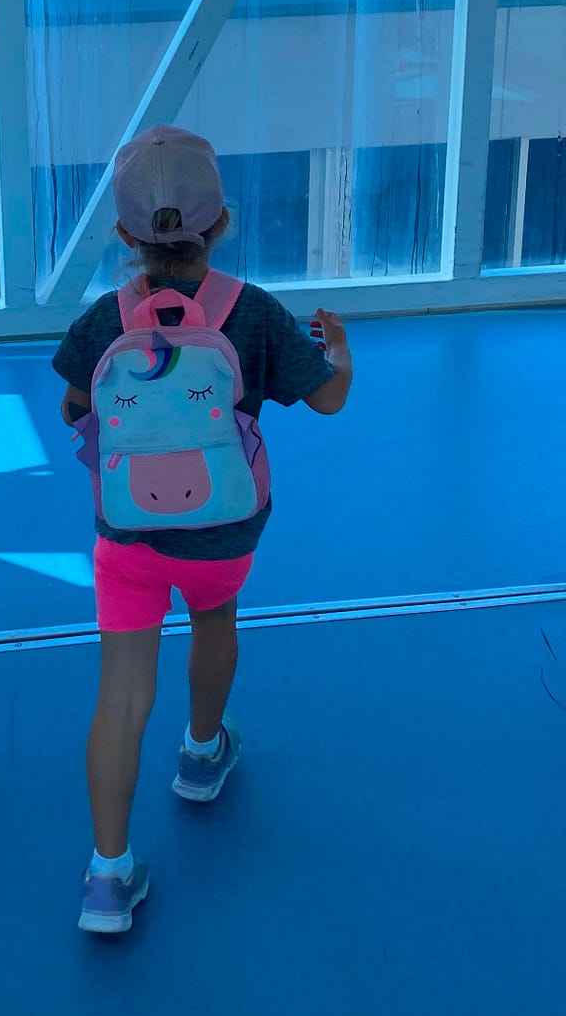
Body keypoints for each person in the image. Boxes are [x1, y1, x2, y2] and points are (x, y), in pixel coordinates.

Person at [52, 125, 353, 933]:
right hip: (225, 533)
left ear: (123, 234)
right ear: (221, 222)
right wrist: (343, 357)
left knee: (119, 694)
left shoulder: (101, 322)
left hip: (127, 540)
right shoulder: (251, 314)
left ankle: (107, 877)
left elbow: (75, 407)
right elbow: (327, 398)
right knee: (214, 621)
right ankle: (201, 751)